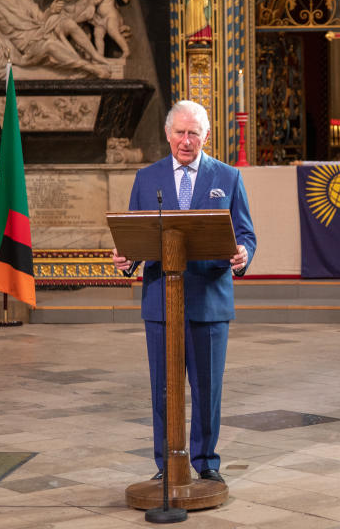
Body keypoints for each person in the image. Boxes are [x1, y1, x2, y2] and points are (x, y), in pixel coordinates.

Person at [112, 100, 256, 484]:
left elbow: (245, 234)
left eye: (194, 133)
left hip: (209, 301)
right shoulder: (147, 179)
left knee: (207, 389)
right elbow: (135, 234)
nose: (186, 141)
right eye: (180, 132)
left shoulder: (227, 178)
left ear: (206, 136)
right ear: (167, 134)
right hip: (162, 302)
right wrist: (128, 259)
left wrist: (244, 254)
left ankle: (206, 462)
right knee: (163, 388)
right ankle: (166, 463)